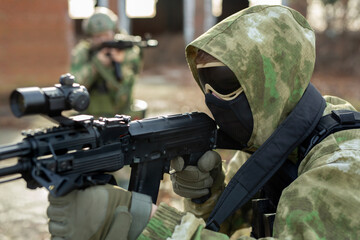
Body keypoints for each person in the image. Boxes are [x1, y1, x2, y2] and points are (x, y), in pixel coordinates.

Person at [46, 5, 360, 239]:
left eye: (223, 79)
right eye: (204, 80)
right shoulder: (275, 138)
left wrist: (146, 224)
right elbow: (239, 228)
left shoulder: (343, 171)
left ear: (272, 81)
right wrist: (208, 197)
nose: (211, 96)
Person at [70, 7, 142, 118]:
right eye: (98, 37)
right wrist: (96, 65)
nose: (103, 40)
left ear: (113, 32)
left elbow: (129, 81)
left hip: (122, 113)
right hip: (92, 114)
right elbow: (75, 85)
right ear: (90, 37)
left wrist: (121, 63)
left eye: (106, 35)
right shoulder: (83, 52)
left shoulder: (126, 50)